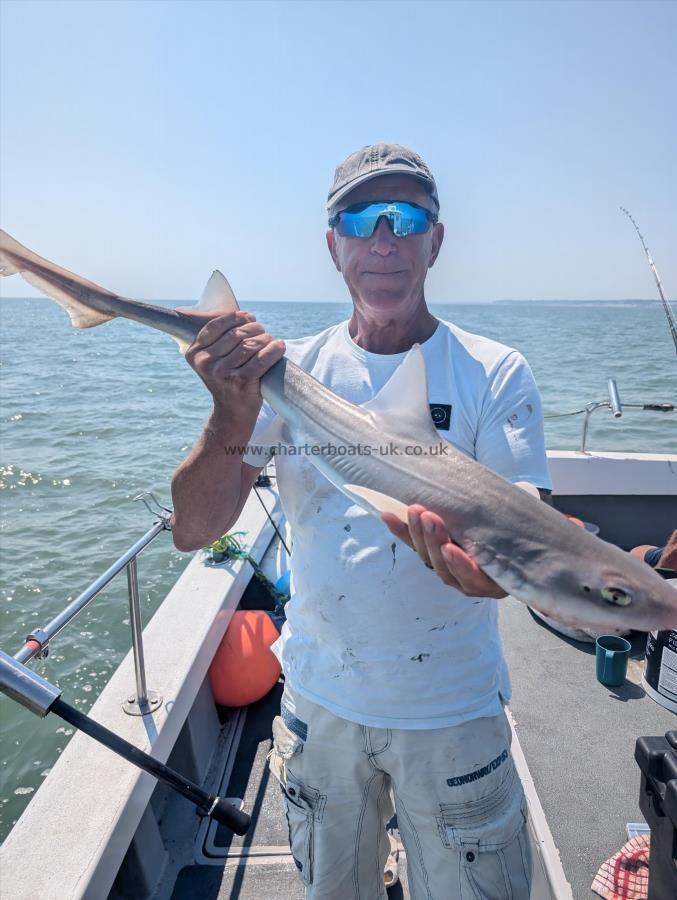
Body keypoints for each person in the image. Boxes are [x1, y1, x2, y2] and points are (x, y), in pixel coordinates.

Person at [171, 144, 552, 899]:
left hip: (452, 712)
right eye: (359, 217)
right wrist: (230, 409)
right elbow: (194, 526)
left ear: (434, 240)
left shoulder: (493, 371)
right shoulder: (289, 374)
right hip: (320, 704)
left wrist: (483, 575)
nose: (383, 239)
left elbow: (524, 535)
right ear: (332, 243)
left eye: (405, 217)